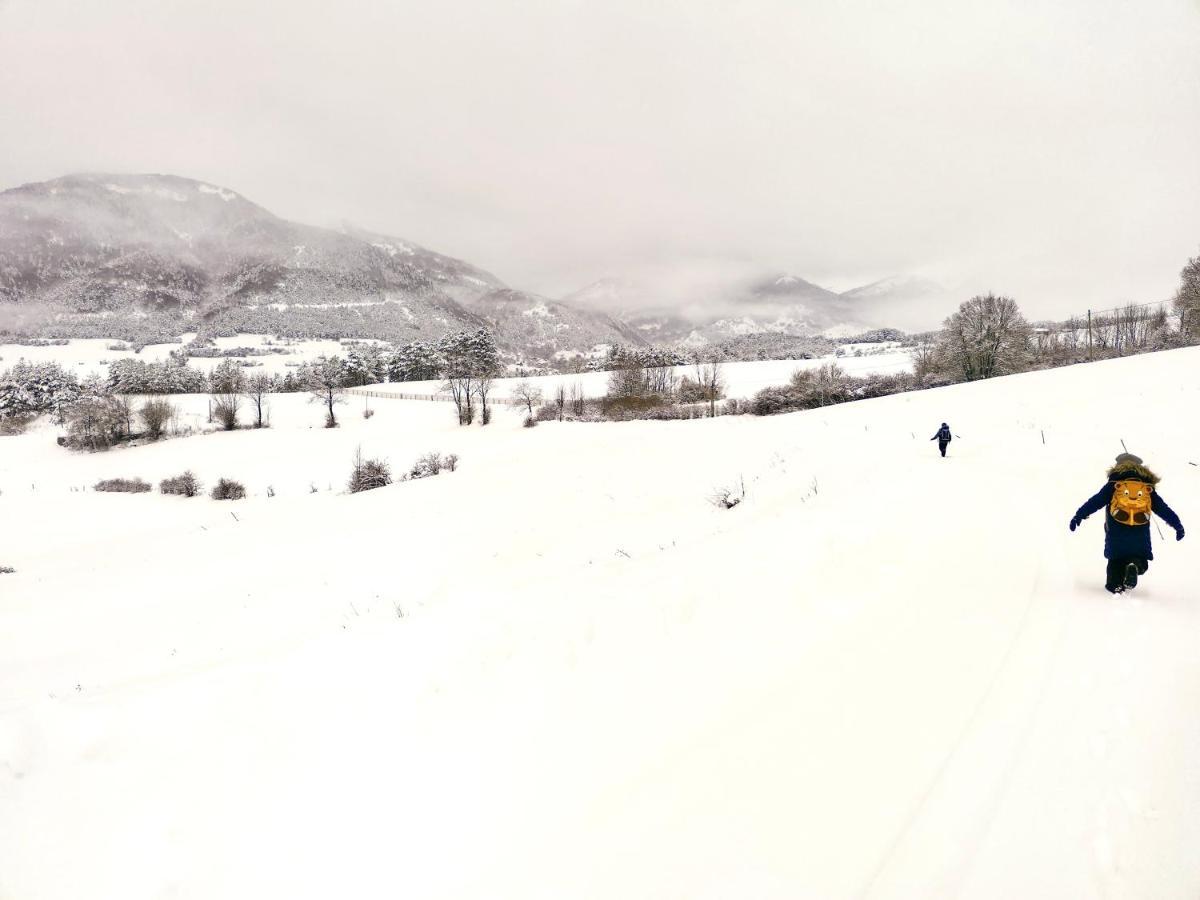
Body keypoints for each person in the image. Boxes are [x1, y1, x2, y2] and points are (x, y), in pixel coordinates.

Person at [1069, 452, 1185, 593]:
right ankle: (1134, 565)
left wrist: (1078, 516)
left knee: (1115, 561)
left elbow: (1095, 502)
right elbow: (1163, 509)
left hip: (1116, 533)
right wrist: (1177, 525)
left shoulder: (1114, 485)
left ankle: (1114, 586)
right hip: (1140, 534)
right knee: (1140, 559)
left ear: (1118, 466)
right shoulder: (1146, 487)